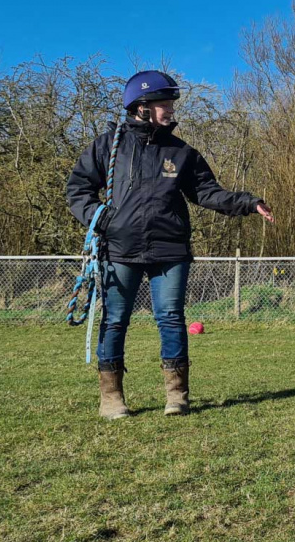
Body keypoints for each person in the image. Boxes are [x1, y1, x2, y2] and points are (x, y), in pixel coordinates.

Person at [66, 70, 274, 419]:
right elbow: (78, 189)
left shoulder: (182, 153)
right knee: (115, 321)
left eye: (171, 104)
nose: (171, 111)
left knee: (172, 319)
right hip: (119, 250)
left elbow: (207, 192)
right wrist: (102, 220)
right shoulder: (107, 147)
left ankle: (177, 396)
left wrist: (247, 203)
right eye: (164, 104)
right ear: (141, 107)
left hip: (170, 250)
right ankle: (111, 398)